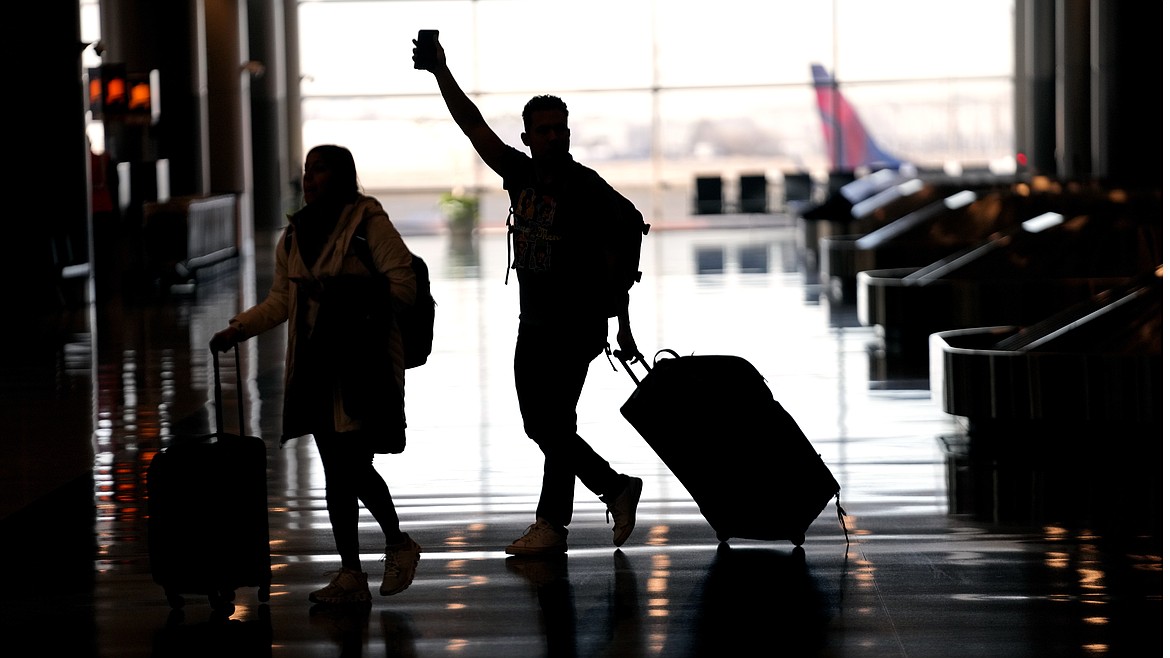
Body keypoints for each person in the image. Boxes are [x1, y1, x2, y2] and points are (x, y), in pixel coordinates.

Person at [414, 36, 644, 555]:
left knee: (549, 423)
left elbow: (620, 248)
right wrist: (441, 74)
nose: (554, 137)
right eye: (544, 130)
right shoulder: (518, 173)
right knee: (547, 425)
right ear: (528, 136)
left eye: (560, 129)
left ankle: (589, 502)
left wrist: (621, 323)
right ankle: (570, 514)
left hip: (576, 325)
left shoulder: (585, 188)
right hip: (534, 322)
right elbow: (472, 125)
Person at [209, 144, 422, 605]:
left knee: (352, 466)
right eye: (307, 171)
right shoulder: (295, 234)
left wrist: (338, 290)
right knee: (336, 471)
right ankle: (352, 572)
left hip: (362, 367)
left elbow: (403, 287)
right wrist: (237, 329)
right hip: (314, 367)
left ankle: (397, 543)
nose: (310, 179)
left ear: (342, 176)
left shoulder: (369, 225)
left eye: (320, 171)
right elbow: (282, 301)